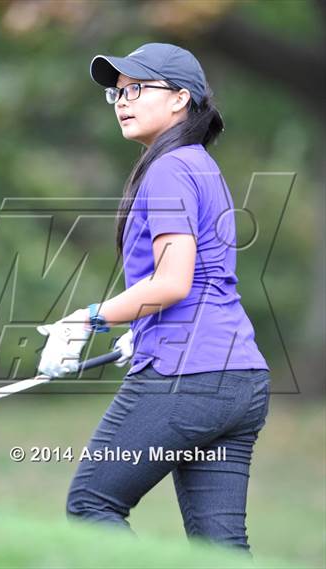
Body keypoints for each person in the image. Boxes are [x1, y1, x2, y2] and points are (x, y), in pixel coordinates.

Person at [37, 43, 271, 556]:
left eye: (137, 89)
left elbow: (172, 282)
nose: (122, 101)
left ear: (179, 98)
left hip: (188, 375)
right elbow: (198, 282)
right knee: (221, 548)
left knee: (91, 505)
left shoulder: (168, 168)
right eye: (117, 93)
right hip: (238, 380)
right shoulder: (197, 163)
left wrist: (87, 320)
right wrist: (137, 334)